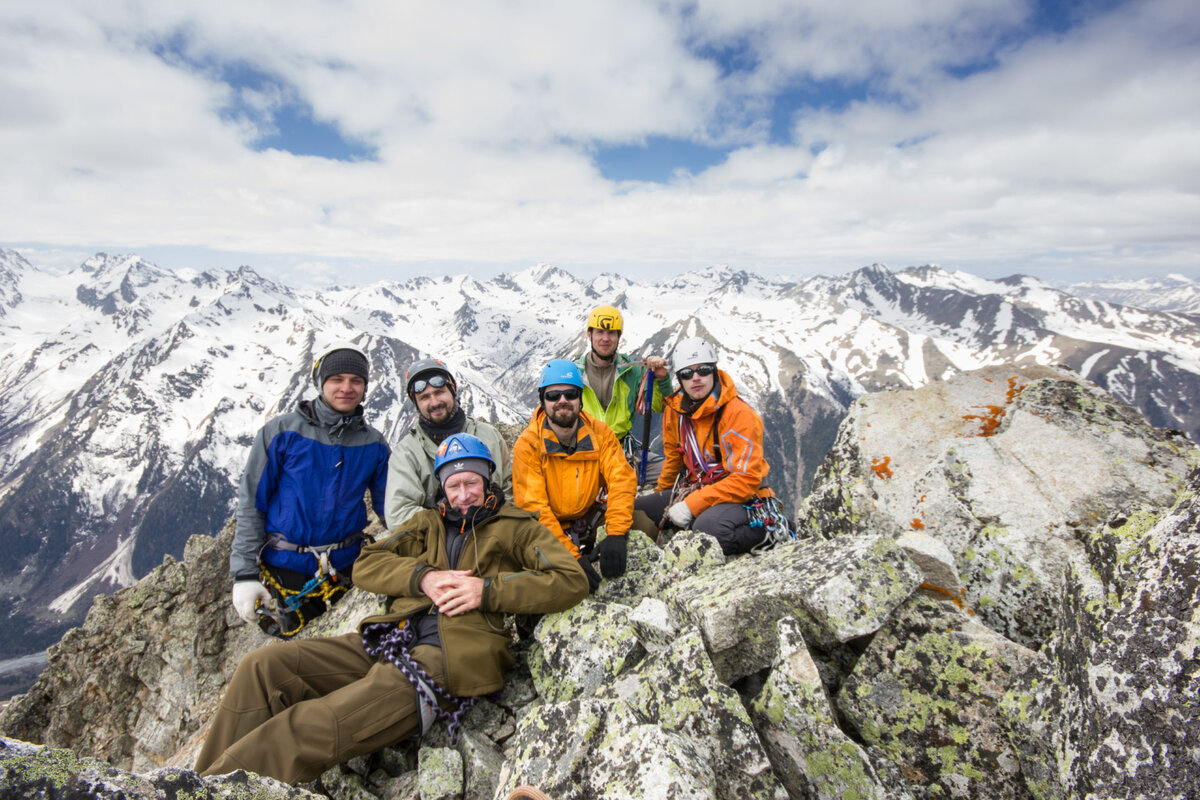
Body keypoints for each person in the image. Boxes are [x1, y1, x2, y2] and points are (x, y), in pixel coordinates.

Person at [196, 434, 588, 784]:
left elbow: (570, 579)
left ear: (488, 481)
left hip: (444, 663)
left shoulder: (517, 527)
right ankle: (190, 786)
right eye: (454, 485)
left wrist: (485, 590)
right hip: (390, 639)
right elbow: (367, 564)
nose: (464, 494)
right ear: (443, 488)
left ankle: (202, 792)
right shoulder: (426, 523)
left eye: (472, 482)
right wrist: (422, 578)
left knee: (300, 730)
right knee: (262, 668)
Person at [230, 342, 390, 637]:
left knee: (351, 649)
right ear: (320, 383)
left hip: (349, 566)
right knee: (299, 658)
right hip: (288, 568)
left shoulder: (374, 444)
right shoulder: (281, 433)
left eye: (356, 381)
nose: (346, 388)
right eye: (336, 380)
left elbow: (389, 506)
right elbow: (253, 502)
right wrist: (244, 574)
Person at [512, 359, 656, 592]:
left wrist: (616, 533)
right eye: (553, 396)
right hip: (551, 525)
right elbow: (534, 508)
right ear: (542, 401)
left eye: (570, 394)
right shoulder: (528, 445)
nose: (562, 401)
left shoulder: (600, 433)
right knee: (533, 567)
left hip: (588, 516)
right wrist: (568, 556)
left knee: (643, 525)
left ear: (580, 399)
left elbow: (621, 479)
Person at [635, 337, 783, 555]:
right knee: (637, 512)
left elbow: (746, 480)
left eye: (703, 370)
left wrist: (691, 505)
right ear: (680, 379)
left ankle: (771, 531)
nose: (695, 378)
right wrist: (662, 498)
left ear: (714, 370)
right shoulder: (675, 412)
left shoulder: (739, 415)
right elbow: (674, 459)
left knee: (708, 530)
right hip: (699, 487)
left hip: (742, 497)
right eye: (687, 373)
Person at [384, 357, 512, 530]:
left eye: (439, 392)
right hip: (440, 548)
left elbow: (510, 489)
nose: (435, 402)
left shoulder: (489, 436)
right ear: (416, 403)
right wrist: (451, 522)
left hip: (496, 535)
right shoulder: (407, 454)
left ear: (453, 391)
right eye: (424, 397)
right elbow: (398, 515)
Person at [574, 305, 673, 485]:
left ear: (619, 337)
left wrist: (661, 380)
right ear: (589, 335)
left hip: (621, 451)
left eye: (612, 333)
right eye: (600, 332)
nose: (606, 338)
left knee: (671, 472)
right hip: (584, 452)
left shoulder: (632, 371)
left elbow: (663, 406)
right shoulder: (574, 373)